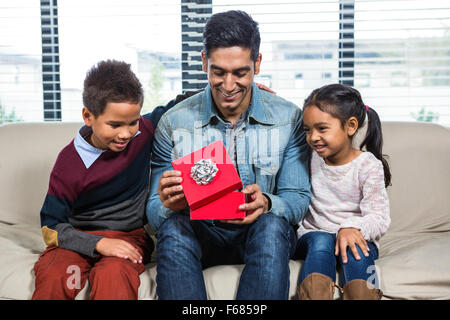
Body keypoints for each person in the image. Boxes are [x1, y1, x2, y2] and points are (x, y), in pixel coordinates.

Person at [146, 10, 311, 300]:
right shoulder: (174, 122)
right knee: (173, 228)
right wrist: (167, 203)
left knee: (273, 224)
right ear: (203, 62)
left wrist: (267, 202)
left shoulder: (289, 118)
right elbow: (152, 210)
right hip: (200, 232)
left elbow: (297, 199)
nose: (229, 85)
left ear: (257, 63)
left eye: (240, 72)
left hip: (259, 234)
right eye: (218, 72)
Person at [32, 59, 190, 300]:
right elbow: (50, 227)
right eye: (114, 125)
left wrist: (234, 90)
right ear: (88, 116)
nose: (126, 133)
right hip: (78, 237)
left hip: (128, 236)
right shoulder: (69, 163)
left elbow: (178, 104)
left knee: (114, 275)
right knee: (56, 275)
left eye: (132, 122)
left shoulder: (143, 131)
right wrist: (98, 244)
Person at [294, 83, 391, 300]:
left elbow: (379, 218)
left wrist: (350, 227)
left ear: (350, 126)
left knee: (356, 250)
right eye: (307, 130)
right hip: (313, 235)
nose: (313, 137)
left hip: (355, 235)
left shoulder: (368, 165)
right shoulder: (308, 157)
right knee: (321, 242)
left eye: (322, 128)